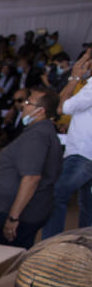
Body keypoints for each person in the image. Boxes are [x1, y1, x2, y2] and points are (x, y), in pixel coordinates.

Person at [0, 87, 62, 248]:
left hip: (17, 216)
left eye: (28, 102)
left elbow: (31, 178)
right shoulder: (38, 131)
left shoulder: (37, 136)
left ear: (40, 111)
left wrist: (13, 217)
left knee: (3, 261)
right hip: (15, 212)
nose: (24, 105)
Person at [43, 48, 92, 237]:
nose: (81, 63)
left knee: (57, 194)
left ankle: (50, 243)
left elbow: (60, 107)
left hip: (83, 153)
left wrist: (73, 79)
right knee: (87, 205)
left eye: (86, 59)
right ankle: (85, 248)